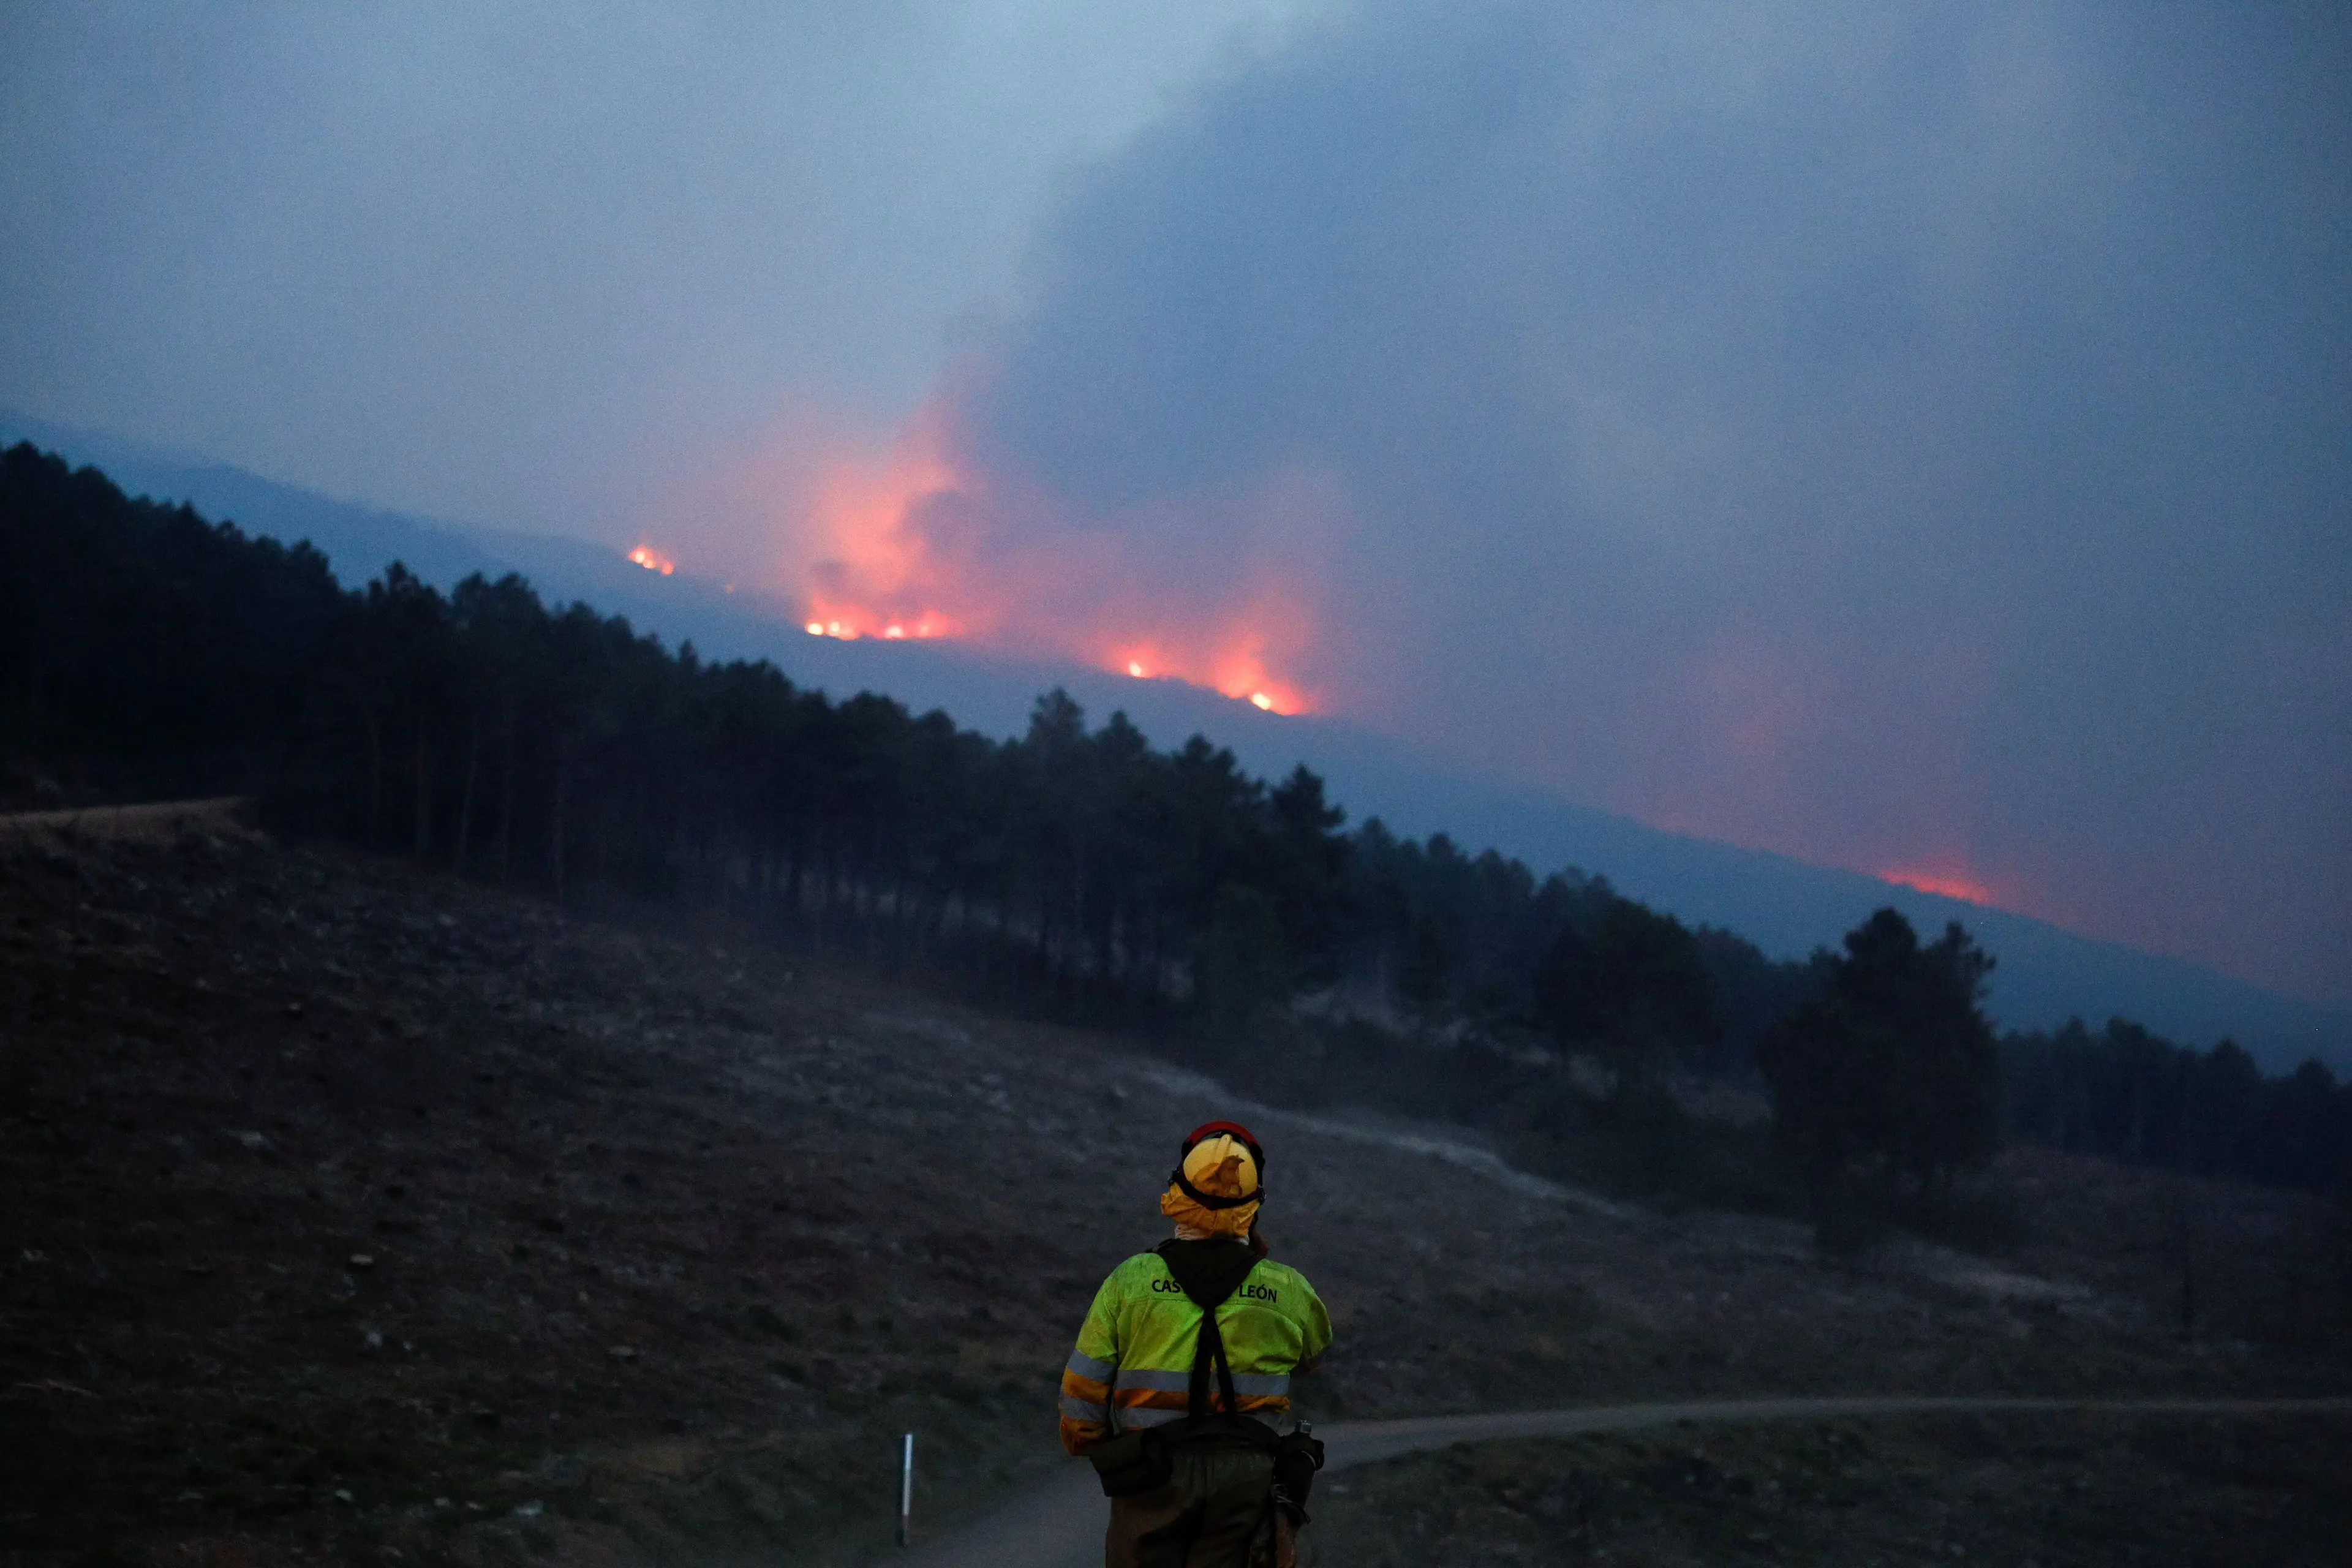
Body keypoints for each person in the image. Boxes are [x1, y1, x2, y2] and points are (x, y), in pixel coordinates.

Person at [1058, 1120, 1334, 1567]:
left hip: (1150, 1473)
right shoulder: (1290, 1288)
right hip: (1245, 1480)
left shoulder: (1129, 1281)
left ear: (1177, 1195)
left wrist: (1096, 1446)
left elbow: (1082, 1391)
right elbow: (1311, 1360)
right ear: (1254, 1207)